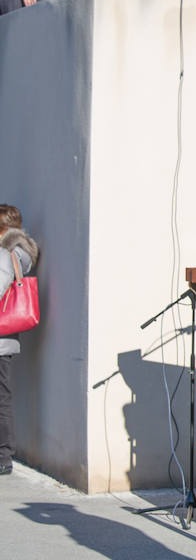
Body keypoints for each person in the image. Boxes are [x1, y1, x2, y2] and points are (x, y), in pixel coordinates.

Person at [0, 204, 39, 476]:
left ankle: (3, 456)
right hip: (5, 339)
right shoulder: (18, 252)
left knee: (1, 398)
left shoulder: (7, 254)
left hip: (1, 340)